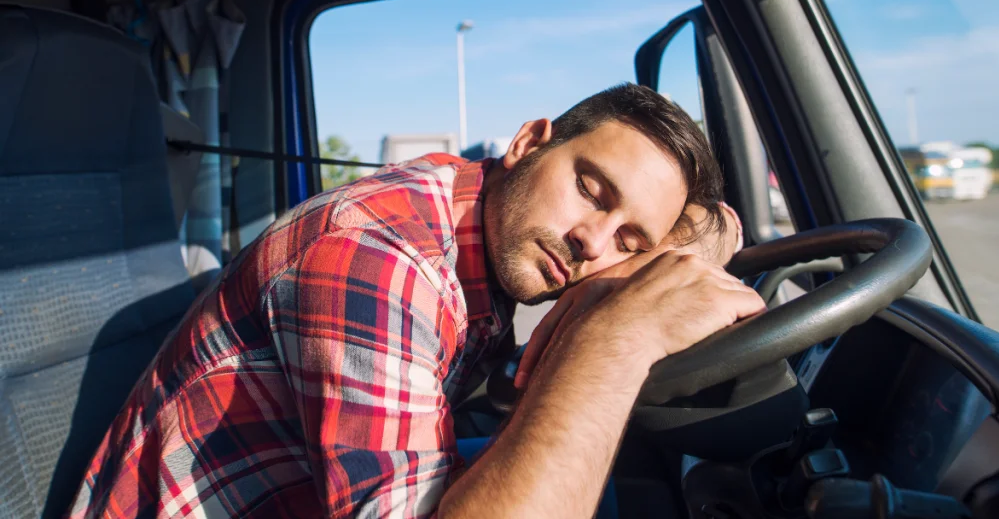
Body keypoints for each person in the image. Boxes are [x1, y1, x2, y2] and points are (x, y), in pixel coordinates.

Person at [66, 84, 764, 519]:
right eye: (590, 188)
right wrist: (614, 338)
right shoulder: (380, 259)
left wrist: (688, 244)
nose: (592, 242)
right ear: (528, 141)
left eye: (631, 240)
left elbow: (721, 223)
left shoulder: (472, 211)